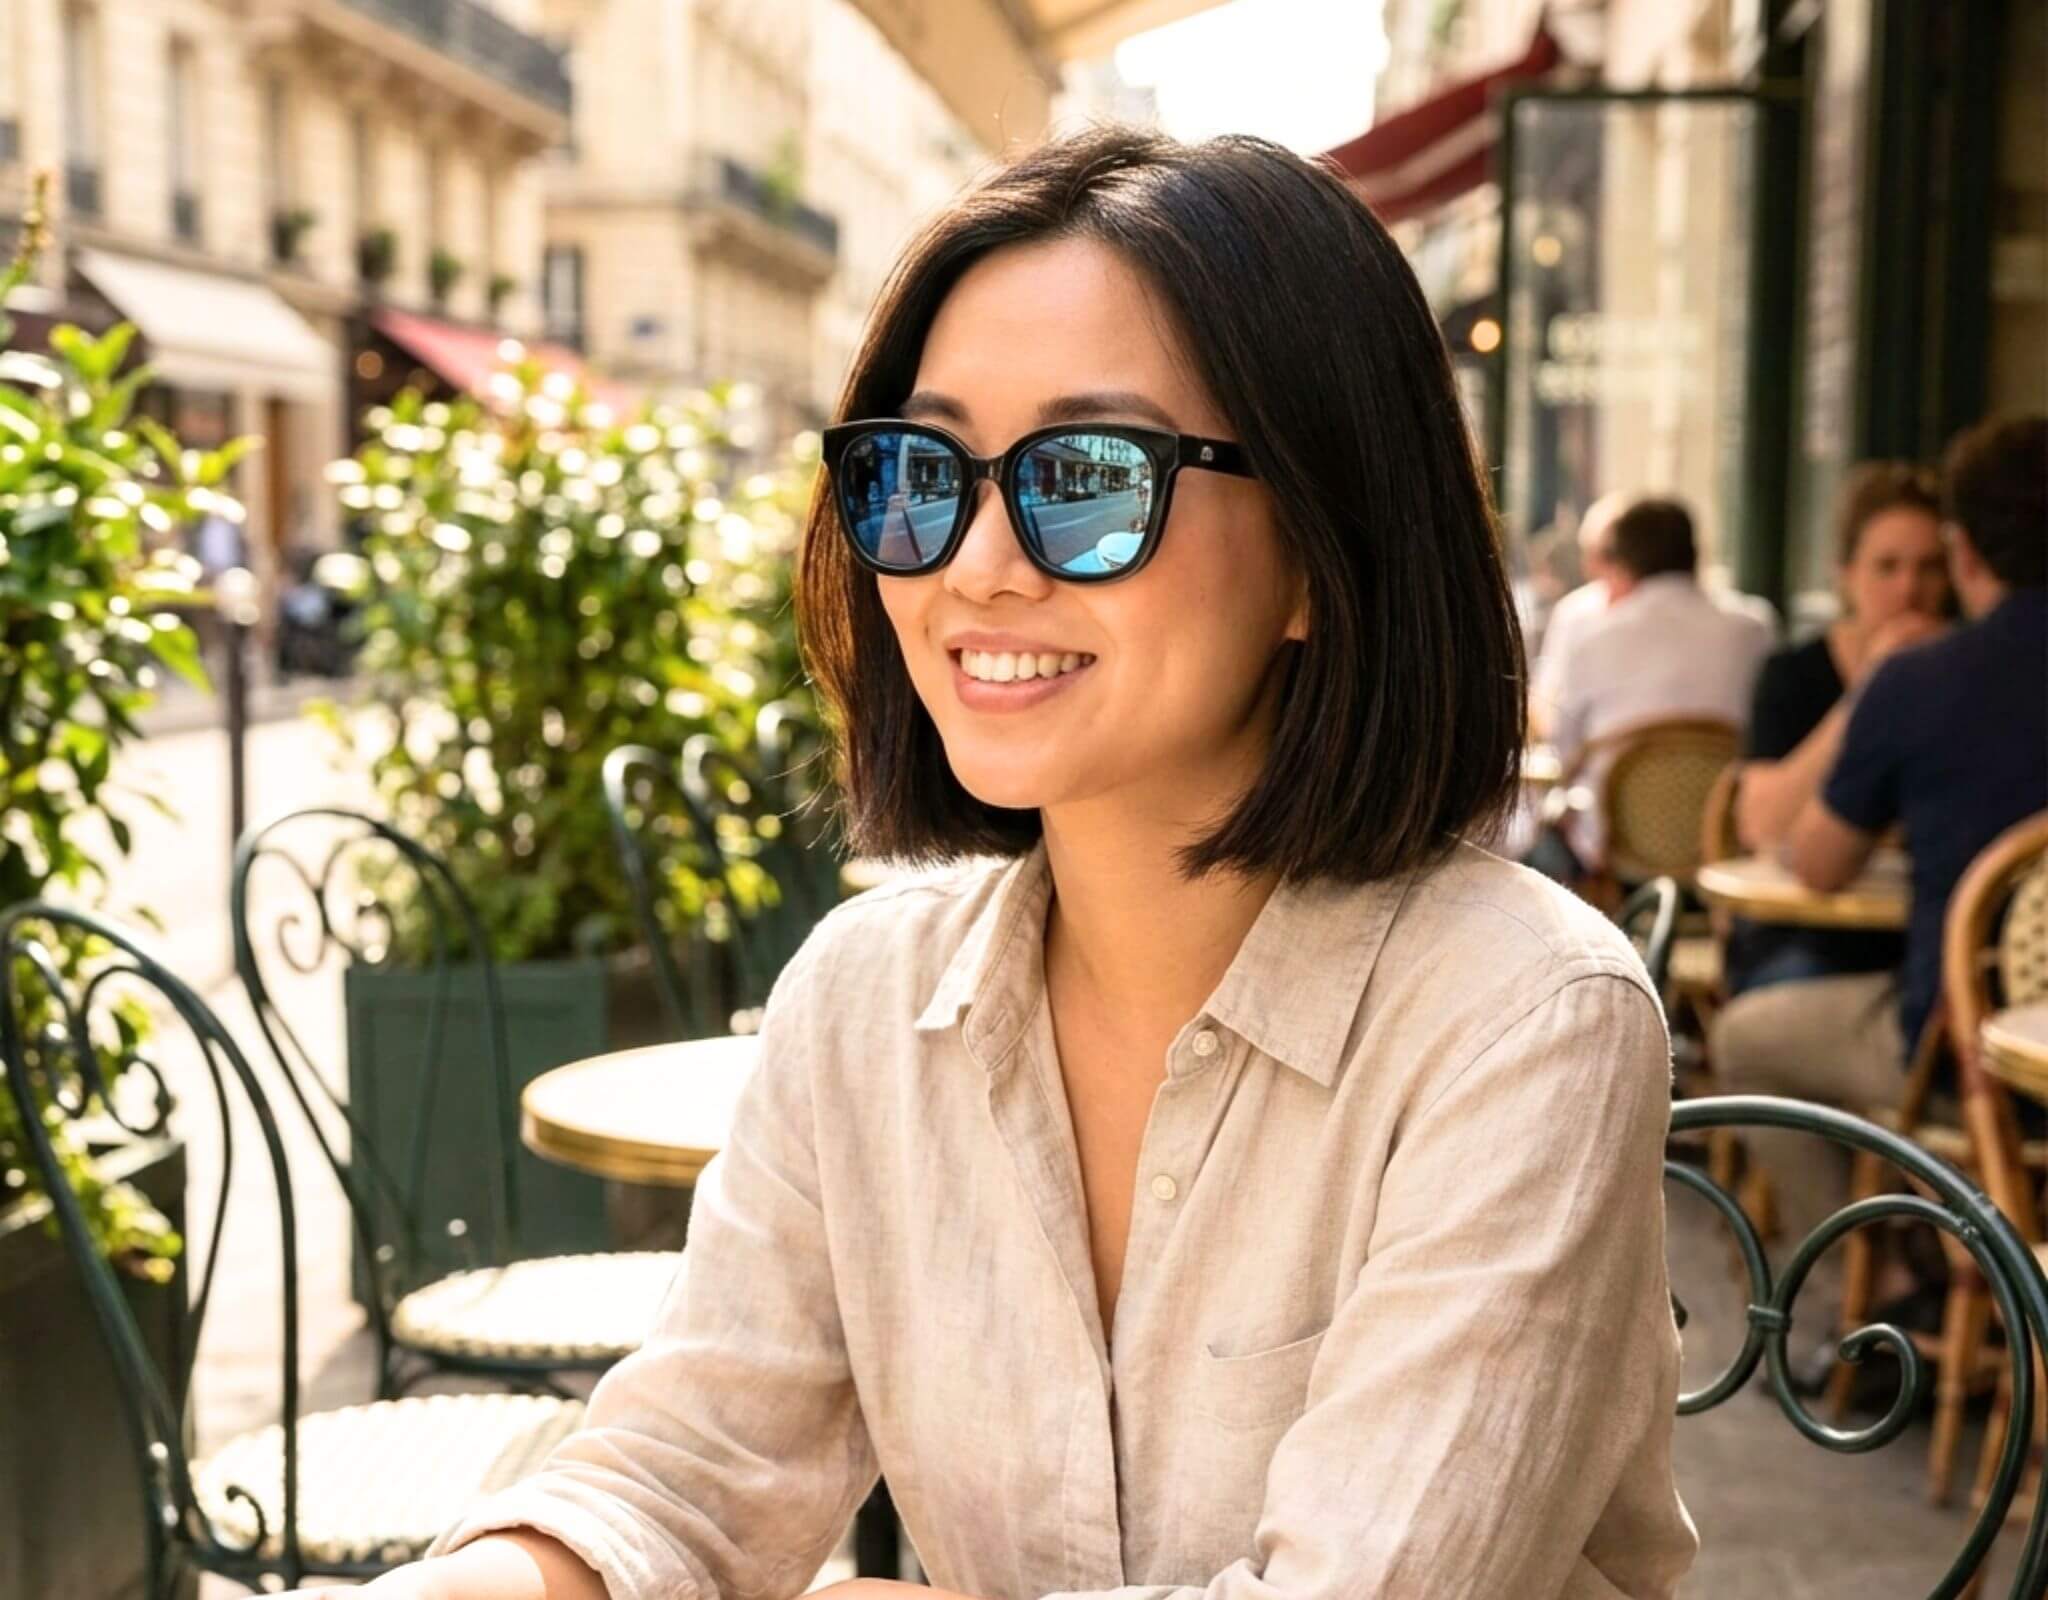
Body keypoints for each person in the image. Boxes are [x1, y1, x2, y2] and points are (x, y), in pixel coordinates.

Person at [286, 128, 1695, 1600]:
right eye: (920, 473)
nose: (972, 565)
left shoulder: (1526, 1023)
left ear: (1314, 550)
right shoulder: (864, 996)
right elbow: (688, 1476)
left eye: (1086, 477)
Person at [1710, 414, 2048, 1346]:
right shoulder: (1819, 674)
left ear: (1966, 552)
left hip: (1966, 1053)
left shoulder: (1928, 682)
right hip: (2010, 1034)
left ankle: (1879, 1283)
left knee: (1747, 1037)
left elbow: (1817, 862)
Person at [1724, 462, 1951, 993]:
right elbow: (1761, 826)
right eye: (1887, 567)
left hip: (1929, 940)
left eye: (1930, 568)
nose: (1909, 589)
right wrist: (1871, 690)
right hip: (1810, 932)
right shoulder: (1794, 675)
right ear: (1846, 576)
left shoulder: (1964, 678)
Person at [1535, 497, 1775, 879]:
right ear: (1696, 556)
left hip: (1613, 856)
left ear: (1622, 563)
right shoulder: (1754, 629)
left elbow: (1563, 752)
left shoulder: (1592, 636)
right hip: (1726, 848)